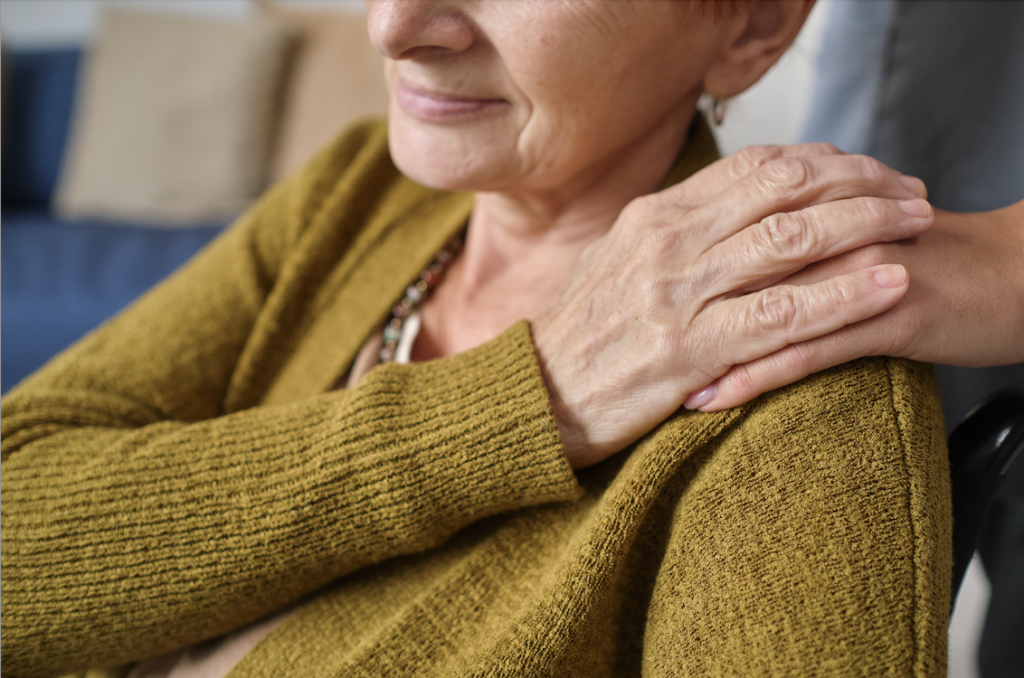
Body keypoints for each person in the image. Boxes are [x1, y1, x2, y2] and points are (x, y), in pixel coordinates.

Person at [1, 2, 951, 676]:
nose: (394, 25)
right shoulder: (357, 195)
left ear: (752, 26)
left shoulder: (798, 385)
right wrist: (525, 398)